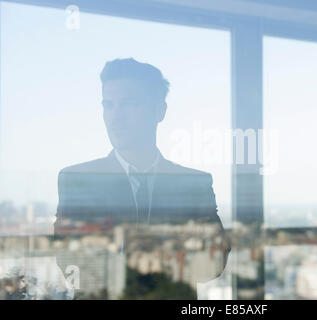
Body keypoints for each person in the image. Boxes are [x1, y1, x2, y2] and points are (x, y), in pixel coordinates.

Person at [54, 58, 231, 298]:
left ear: (160, 111)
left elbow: (214, 263)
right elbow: (74, 267)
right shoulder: (78, 179)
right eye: (109, 105)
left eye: (129, 104)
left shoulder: (194, 183)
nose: (115, 118)